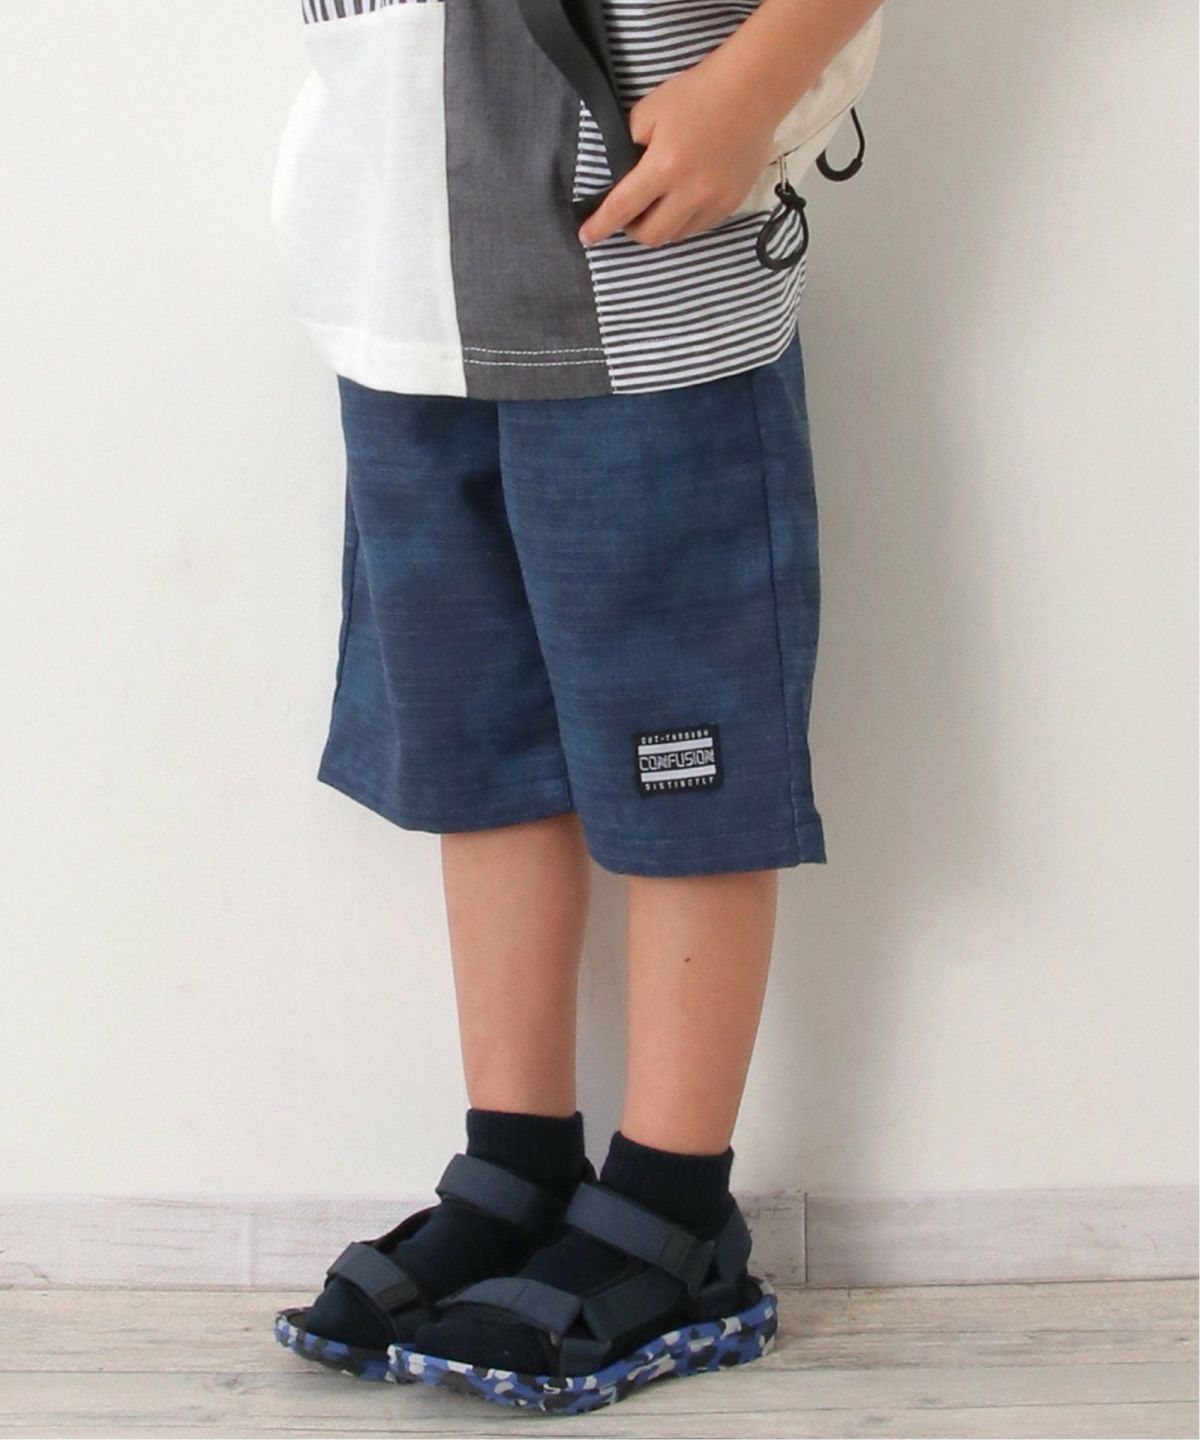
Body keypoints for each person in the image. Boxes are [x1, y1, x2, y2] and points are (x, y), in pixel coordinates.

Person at [270, 0, 883, 1415]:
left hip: (644, 267)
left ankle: (676, 1207)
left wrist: (754, 86)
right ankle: (520, 1161)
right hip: (401, 270)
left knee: (682, 748)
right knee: (477, 738)